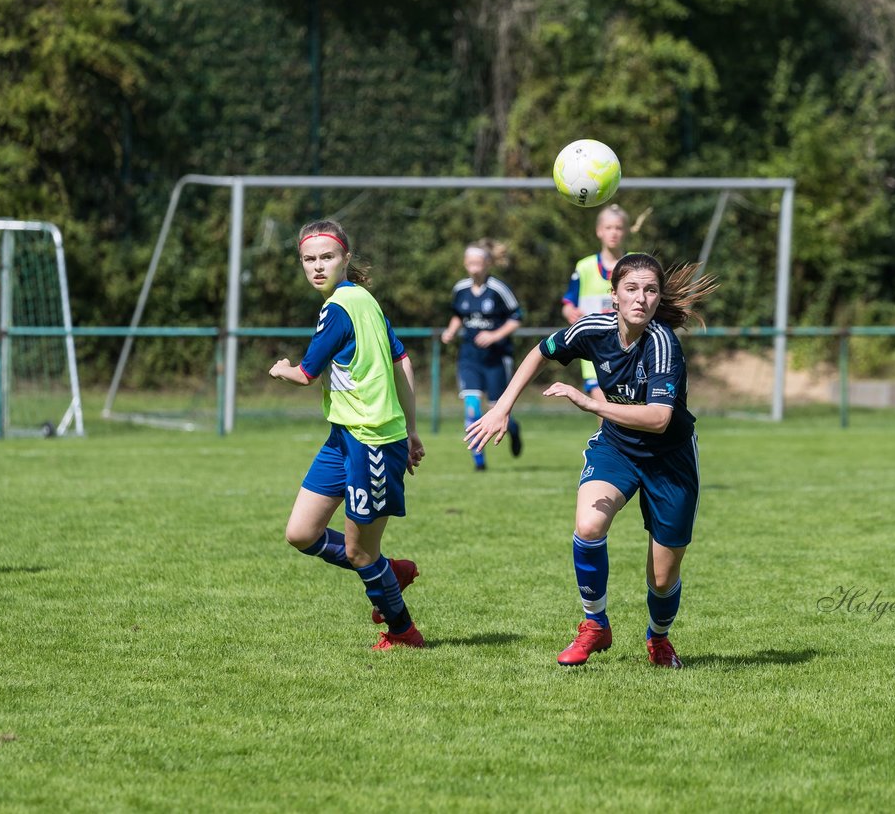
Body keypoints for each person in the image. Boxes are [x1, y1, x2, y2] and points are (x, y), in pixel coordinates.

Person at [467, 253, 716, 669]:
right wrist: (502, 407)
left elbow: (658, 419)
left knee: (661, 577)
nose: (641, 298)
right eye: (631, 289)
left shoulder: (662, 343)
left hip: (668, 459)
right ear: (613, 295)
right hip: (617, 447)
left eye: (650, 290)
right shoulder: (591, 328)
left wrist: (587, 402)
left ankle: (658, 638)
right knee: (588, 525)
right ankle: (595, 625)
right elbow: (539, 351)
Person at [269, 219, 427, 650]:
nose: (317, 267)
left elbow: (304, 374)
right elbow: (403, 361)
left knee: (360, 553)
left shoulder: (339, 308)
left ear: (346, 259)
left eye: (327, 257)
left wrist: (281, 369)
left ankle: (403, 633)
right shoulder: (364, 300)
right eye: (309, 259)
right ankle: (390, 572)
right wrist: (411, 429)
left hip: (372, 442)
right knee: (301, 533)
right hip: (344, 437)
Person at [440, 239, 524, 470]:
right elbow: (458, 315)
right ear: (465, 264)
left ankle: (514, 430)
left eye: (479, 263)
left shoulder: (499, 289)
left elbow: (516, 318)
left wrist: (495, 335)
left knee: (498, 409)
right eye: (470, 263)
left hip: (496, 359)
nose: (474, 267)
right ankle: (479, 461)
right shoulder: (460, 289)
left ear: (487, 264)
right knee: (472, 408)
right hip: (469, 357)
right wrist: (451, 331)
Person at [561, 204, 630, 400]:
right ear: (599, 231)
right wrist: (570, 312)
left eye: (618, 227)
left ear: (626, 231)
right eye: (608, 228)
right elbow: (568, 304)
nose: (613, 233)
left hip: (630, 347)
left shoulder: (636, 263)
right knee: (606, 414)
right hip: (596, 348)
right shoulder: (584, 267)